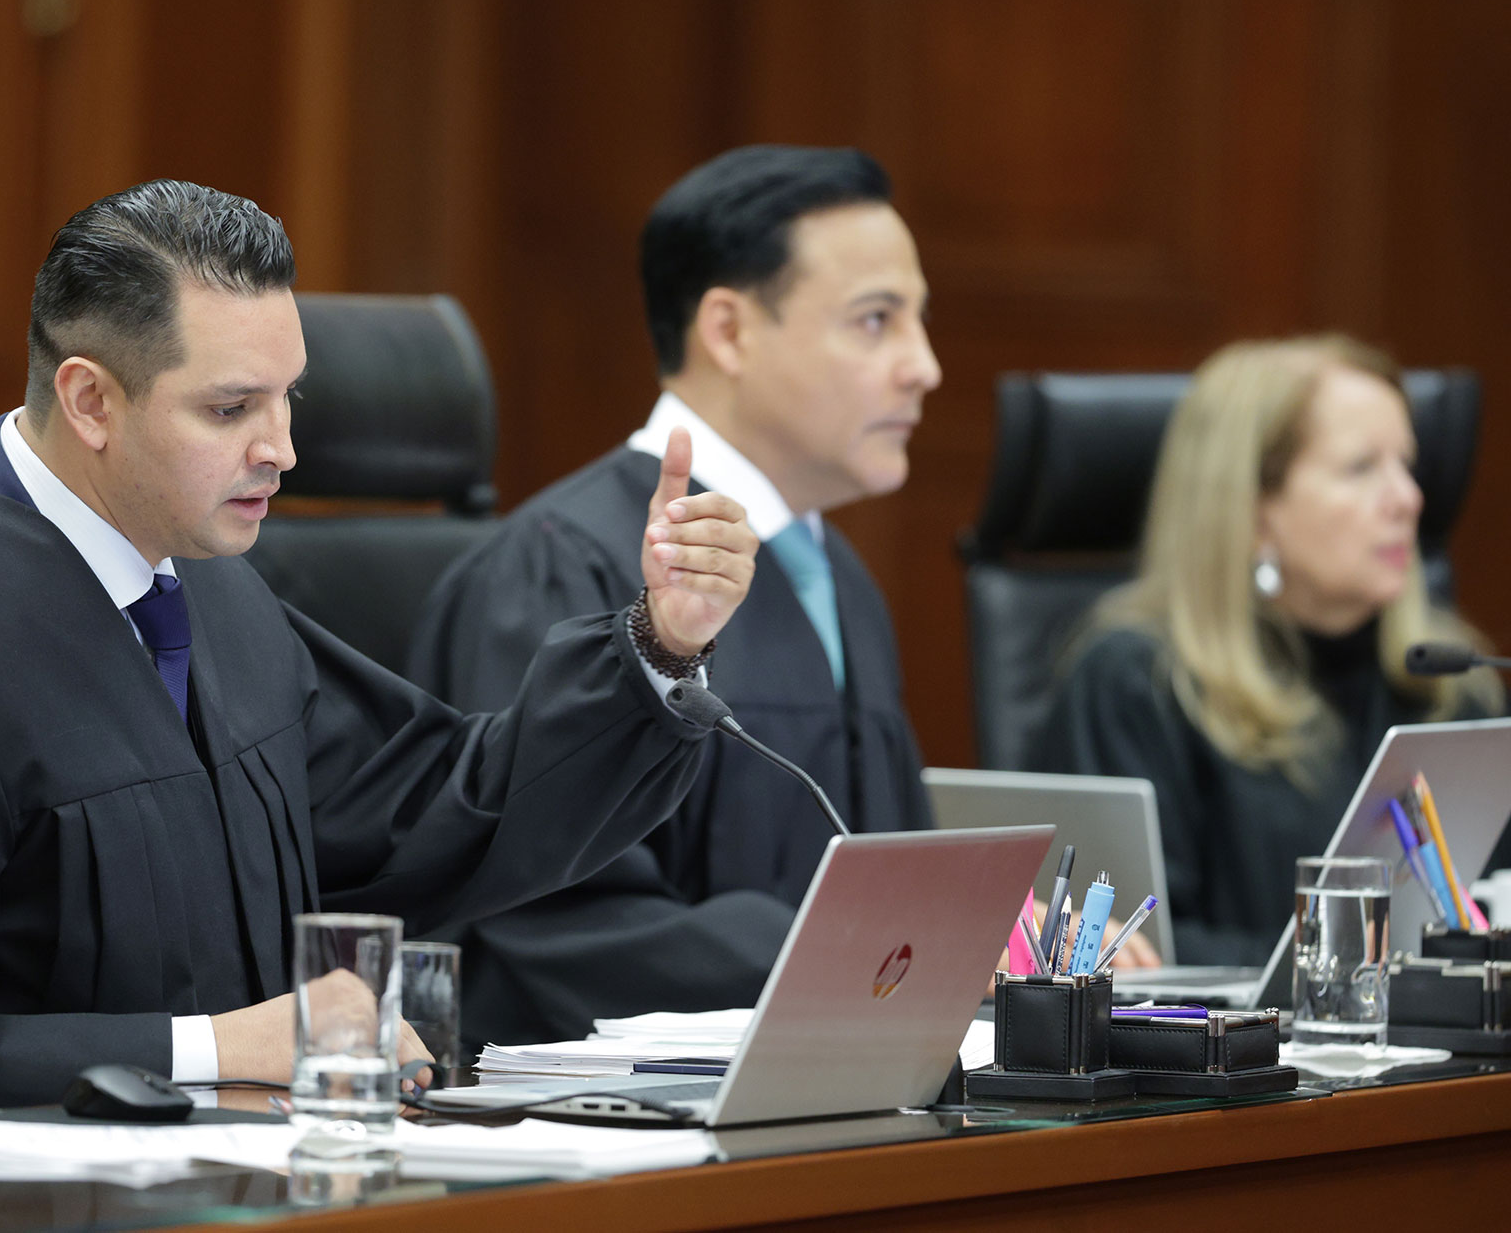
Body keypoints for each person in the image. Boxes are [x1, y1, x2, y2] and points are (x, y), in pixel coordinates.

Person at [0, 179, 761, 1114]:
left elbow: (434, 807)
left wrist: (660, 642)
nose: (282, 449)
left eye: (286, 397)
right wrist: (217, 1050)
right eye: (230, 408)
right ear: (90, 401)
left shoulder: (206, 587)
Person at [406, 145, 942, 1047]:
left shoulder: (839, 576)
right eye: (876, 320)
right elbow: (551, 917)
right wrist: (855, 959)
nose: (924, 366)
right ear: (728, 330)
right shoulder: (561, 562)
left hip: (839, 1079)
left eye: (920, 321)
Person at [1026, 337, 1503, 964]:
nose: (1408, 498)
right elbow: (1128, 949)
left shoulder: (1453, 685)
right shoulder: (1134, 684)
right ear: (1253, 510)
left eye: (1407, 465)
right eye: (1362, 468)